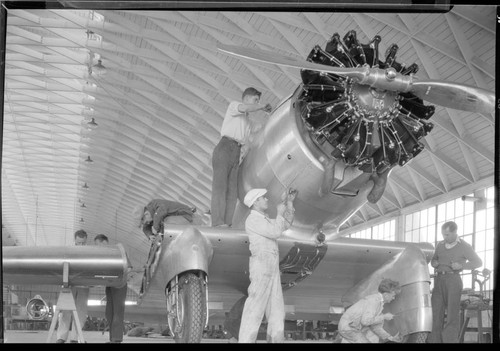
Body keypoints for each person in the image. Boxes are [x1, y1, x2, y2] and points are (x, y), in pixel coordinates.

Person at [238, 187, 297, 343]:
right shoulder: (253, 219)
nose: (266, 199)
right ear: (256, 202)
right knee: (255, 306)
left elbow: (285, 225)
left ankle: (276, 339)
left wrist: (289, 204)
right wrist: (279, 212)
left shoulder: (263, 219)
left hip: (271, 266)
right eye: (263, 198)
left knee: (277, 309)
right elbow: (275, 232)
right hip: (261, 266)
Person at [210, 87, 273, 228]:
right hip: (225, 147)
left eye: (258, 101)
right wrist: (261, 106)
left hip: (236, 151)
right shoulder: (234, 106)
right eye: (255, 99)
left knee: (232, 191)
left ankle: (227, 223)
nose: (257, 102)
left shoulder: (247, 122)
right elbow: (246, 108)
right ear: (246, 98)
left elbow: (261, 127)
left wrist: (272, 115)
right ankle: (217, 222)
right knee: (220, 187)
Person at [427, 221, 482, 343]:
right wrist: (434, 263)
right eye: (443, 234)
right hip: (438, 280)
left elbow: (478, 262)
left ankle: (449, 341)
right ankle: (433, 341)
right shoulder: (440, 245)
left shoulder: (464, 246)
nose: (444, 237)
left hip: (453, 280)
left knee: (452, 315)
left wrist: (461, 265)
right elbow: (434, 260)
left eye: (447, 235)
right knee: (435, 314)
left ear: (455, 232)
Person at [338, 278, 403, 343]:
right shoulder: (374, 302)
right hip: (349, 327)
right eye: (393, 296)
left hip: (350, 327)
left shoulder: (379, 303)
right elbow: (365, 321)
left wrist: (390, 338)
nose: (393, 298)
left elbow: (375, 327)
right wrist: (384, 317)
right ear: (386, 295)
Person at [94, 234, 130, 344]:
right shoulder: (102, 256)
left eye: (97, 245)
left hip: (119, 286)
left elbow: (128, 268)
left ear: (104, 242)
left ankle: (117, 339)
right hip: (109, 286)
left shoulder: (118, 252)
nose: (97, 247)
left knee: (118, 313)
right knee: (109, 313)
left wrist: (119, 276)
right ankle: (112, 338)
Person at [56, 229, 90, 343]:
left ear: (86, 241)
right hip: (69, 284)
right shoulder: (68, 251)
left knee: (80, 311)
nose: (80, 245)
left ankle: (75, 337)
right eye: (78, 243)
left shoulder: (90, 252)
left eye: (83, 243)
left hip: (84, 285)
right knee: (65, 310)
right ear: (74, 240)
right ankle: (61, 337)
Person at [132, 199, 197, 240]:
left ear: (146, 214)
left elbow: (161, 212)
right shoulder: (150, 217)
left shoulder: (155, 204)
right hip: (178, 220)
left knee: (166, 222)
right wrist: (150, 235)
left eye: (145, 221)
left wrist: (155, 227)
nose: (147, 223)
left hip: (185, 215)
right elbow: (145, 228)